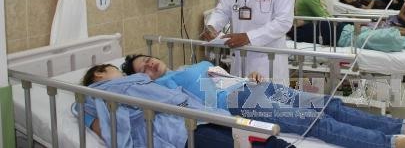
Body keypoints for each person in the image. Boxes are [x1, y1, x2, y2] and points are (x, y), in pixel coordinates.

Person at [117, 55, 405, 148]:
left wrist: (248, 76)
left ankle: (401, 123)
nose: (149, 65)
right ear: (142, 80)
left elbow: (221, 75)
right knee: (314, 122)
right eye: (142, 70)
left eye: (147, 59)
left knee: (327, 104)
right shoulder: (164, 87)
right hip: (239, 102)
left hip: (254, 88)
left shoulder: (190, 66)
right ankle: (390, 142)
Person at [80, 64, 290, 148]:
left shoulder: (133, 82)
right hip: (179, 128)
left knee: (256, 136)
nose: (121, 74)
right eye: (114, 69)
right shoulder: (93, 96)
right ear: (99, 74)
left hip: (196, 115)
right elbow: (110, 127)